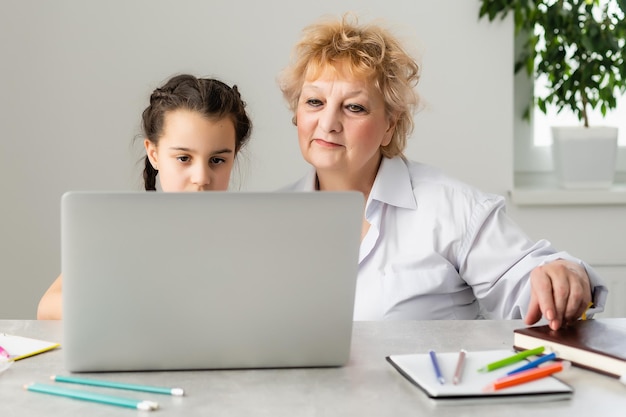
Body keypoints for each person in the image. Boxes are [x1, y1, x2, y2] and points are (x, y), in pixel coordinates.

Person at [278, 14, 607, 330]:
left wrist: (564, 275)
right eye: (314, 102)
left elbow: (527, 279)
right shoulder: (271, 216)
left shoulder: (451, 207)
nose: (328, 123)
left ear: (390, 126)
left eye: (354, 107)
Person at [37, 74, 253, 320]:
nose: (201, 177)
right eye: (184, 158)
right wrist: (133, 307)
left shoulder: (250, 237)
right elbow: (48, 306)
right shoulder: (122, 231)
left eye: (217, 160)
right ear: (154, 154)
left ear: (233, 157)